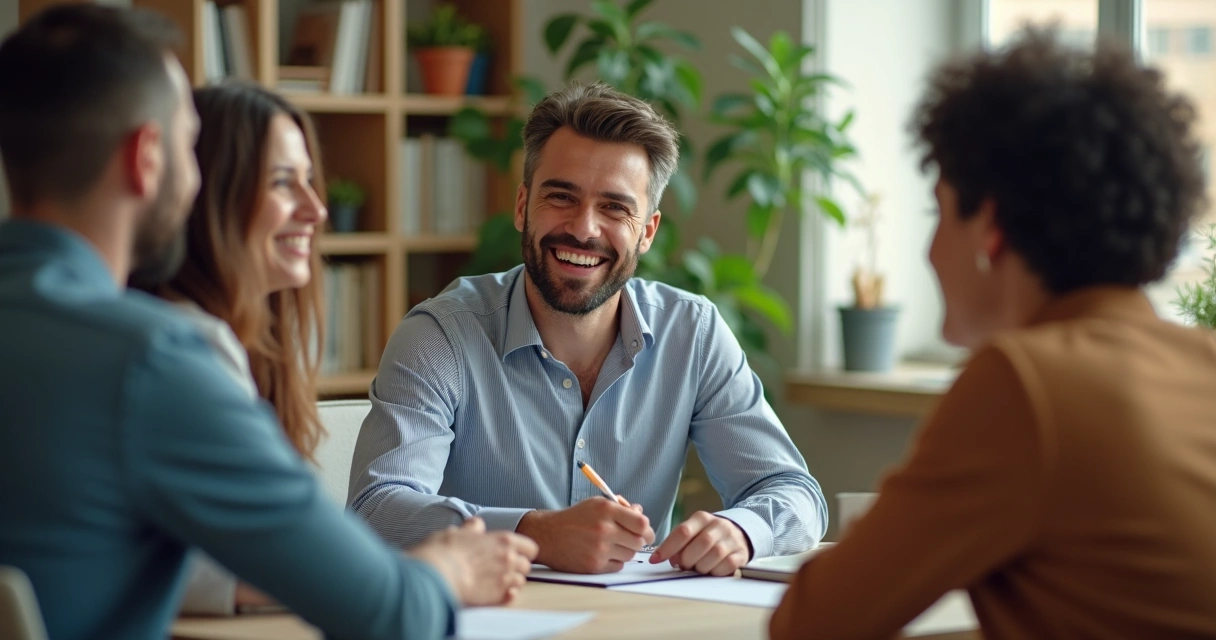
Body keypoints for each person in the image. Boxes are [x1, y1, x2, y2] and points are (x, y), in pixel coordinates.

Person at [0, 6, 535, 640]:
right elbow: (391, 614)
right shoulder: (151, 360)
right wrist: (446, 568)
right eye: (185, 144)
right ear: (147, 157)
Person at [770, 28, 1216, 640]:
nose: (927, 250)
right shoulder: (1201, 359)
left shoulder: (1026, 381)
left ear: (991, 226)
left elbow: (813, 623)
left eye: (939, 212)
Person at [349, 82, 826, 577]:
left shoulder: (693, 333)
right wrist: (533, 533)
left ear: (647, 232)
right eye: (561, 197)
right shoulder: (441, 335)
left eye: (615, 208)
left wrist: (743, 531)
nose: (584, 229)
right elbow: (375, 511)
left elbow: (794, 492)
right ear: (521, 207)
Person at [140, 83, 329, 615]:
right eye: (282, 183)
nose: (315, 209)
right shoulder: (182, 344)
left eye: (310, 183)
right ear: (207, 194)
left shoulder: (256, 348)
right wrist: (430, 571)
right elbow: (218, 566)